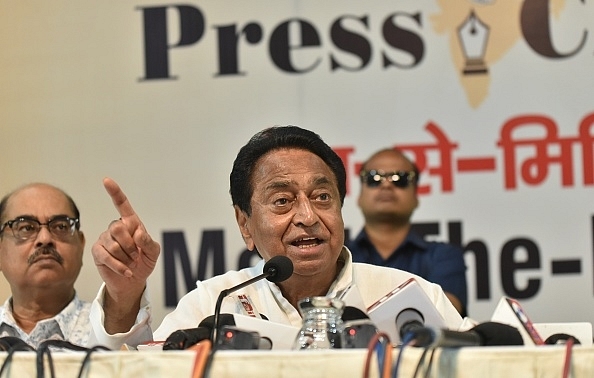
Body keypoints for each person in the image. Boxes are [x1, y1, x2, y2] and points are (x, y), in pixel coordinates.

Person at [88, 126, 463, 349]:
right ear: (245, 224)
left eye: (322, 197)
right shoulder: (214, 306)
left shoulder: (411, 296)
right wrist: (124, 296)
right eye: (282, 200)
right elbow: (134, 369)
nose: (308, 216)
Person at [347, 148, 468, 316]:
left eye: (400, 179)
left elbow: (447, 316)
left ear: (416, 197)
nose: (387, 185)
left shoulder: (444, 256)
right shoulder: (337, 257)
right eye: (374, 178)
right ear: (359, 196)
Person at [0, 183, 91, 348]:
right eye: (26, 227)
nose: (45, 238)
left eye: (61, 226)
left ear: (81, 245)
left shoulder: (115, 333)